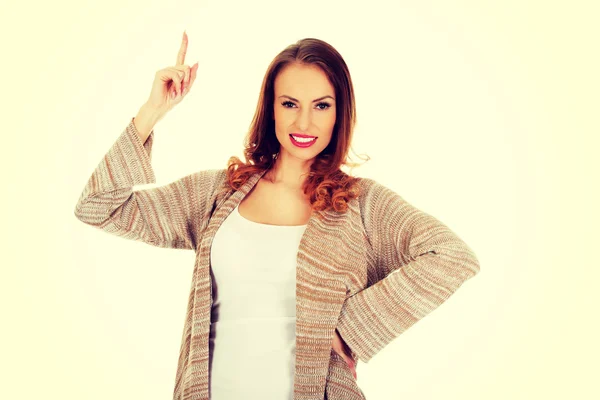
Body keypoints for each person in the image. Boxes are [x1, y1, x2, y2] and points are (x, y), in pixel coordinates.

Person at [74, 31, 481, 400]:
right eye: (290, 103)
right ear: (270, 108)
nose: (304, 122)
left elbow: (451, 256)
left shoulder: (362, 204)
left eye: (321, 105)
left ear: (340, 113)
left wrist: (349, 328)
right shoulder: (219, 193)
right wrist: (151, 112)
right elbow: (98, 207)